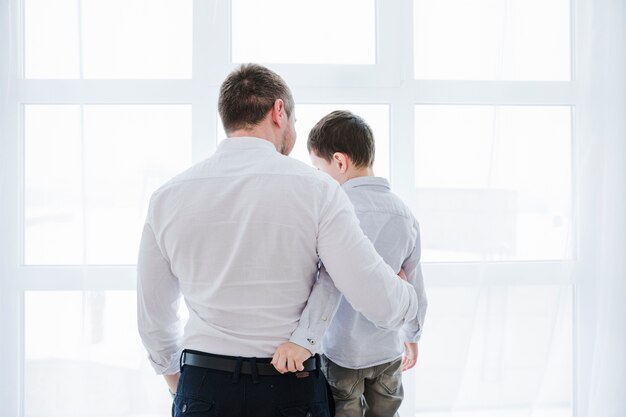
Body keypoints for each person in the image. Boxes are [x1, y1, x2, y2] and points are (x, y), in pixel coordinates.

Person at [137, 64, 419, 417]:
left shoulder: (167, 196)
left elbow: (153, 316)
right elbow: (377, 298)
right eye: (295, 121)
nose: (294, 131)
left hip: (204, 383)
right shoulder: (318, 190)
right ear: (278, 111)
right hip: (291, 388)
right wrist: (408, 298)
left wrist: (181, 383)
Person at [299, 110, 428, 417]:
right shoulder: (404, 213)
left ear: (340, 162)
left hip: (342, 352)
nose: (319, 176)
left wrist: (303, 341)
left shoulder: (335, 212)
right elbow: (416, 284)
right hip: (387, 351)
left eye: (319, 167)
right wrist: (413, 336)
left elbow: (322, 283)